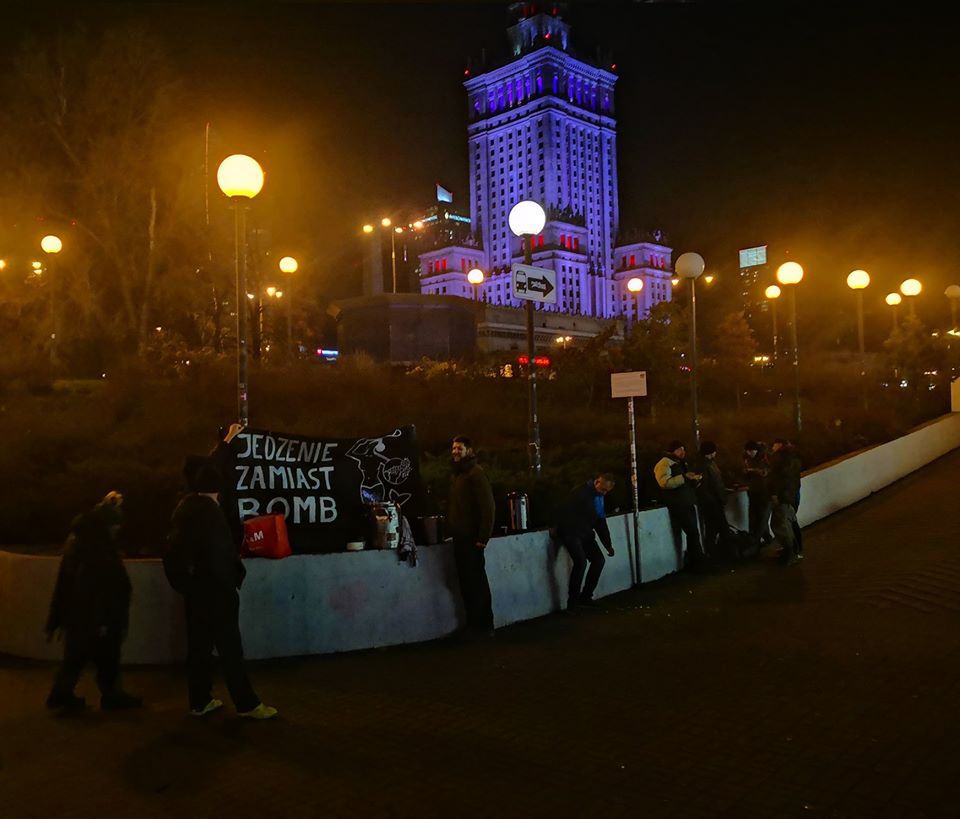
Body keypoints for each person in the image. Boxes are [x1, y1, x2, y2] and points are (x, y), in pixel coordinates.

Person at [165, 459, 278, 719]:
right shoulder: (210, 514)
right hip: (216, 592)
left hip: (195, 593)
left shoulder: (183, 510)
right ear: (217, 489)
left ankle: (199, 701)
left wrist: (187, 585)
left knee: (199, 647)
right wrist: (231, 582)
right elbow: (220, 556)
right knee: (230, 648)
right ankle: (247, 704)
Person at [46, 492, 142, 713]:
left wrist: (57, 617)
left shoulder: (80, 542)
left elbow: (66, 583)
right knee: (104, 657)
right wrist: (103, 620)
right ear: (107, 525)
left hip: (80, 615)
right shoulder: (97, 549)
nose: (118, 530)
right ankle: (109, 696)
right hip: (94, 617)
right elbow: (96, 586)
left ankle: (63, 695)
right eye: (116, 525)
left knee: (78, 657)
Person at [447, 435, 496, 637]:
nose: (455, 451)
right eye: (454, 448)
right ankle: (474, 624)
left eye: (459, 448)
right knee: (467, 583)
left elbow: (488, 507)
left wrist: (483, 537)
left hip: (472, 539)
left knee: (476, 583)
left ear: (469, 450)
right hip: (460, 537)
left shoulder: (476, 474)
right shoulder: (458, 475)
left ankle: (484, 626)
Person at [555, 473, 616, 610]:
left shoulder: (597, 497)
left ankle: (585, 596)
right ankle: (574, 602)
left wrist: (608, 544)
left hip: (584, 533)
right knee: (581, 563)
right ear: (597, 482)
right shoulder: (580, 493)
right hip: (572, 531)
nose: (604, 493)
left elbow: (601, 522)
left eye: (606, 491)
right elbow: (564, 510)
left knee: (598, 560)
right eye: (603, 490)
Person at [654, 441, 706, 571]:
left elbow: (684, 482)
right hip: (678, 504)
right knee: (693, 532)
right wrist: (684, 477)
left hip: (687, 502)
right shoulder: (664, 463)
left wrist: (694, 481)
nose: (683, 452)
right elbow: (664, 483)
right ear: (672, 451)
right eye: (679, 450)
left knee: (693, 533)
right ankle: (697, 564)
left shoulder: (680, 463)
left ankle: (695, 562)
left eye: (684, 449)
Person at [768, 437, 803, 562]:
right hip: (791, 495)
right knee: (791, 522)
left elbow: (778, 479)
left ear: (780, 445)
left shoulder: (781, 459)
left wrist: (774, 494)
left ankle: (790, 553)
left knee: (781, 525)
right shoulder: (793, 457)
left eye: (774, 444)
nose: (772, 447)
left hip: (783, 496)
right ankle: (796, 550)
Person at [695, 441, 728, 557]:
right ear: (711, 452)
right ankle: (724, 554)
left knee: (712, 529)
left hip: (711, 502)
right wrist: (720, 499)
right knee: (720, 528)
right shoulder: (707, 465)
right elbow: (714, 485)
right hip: (713, 502)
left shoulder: (704, 464)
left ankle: (713, 553)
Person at [743, 441, 772, 546]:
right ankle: (766, 539)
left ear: (755, 450)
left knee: (762, 518)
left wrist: (753, 470)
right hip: (753, 492)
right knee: (754, 518)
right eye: (747, 451)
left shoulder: (765, 457)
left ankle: (755, 542)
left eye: (751, 451)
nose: (749, 453)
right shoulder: (747, 459)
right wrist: (746, 473)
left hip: (764, 492)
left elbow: (766, 472)